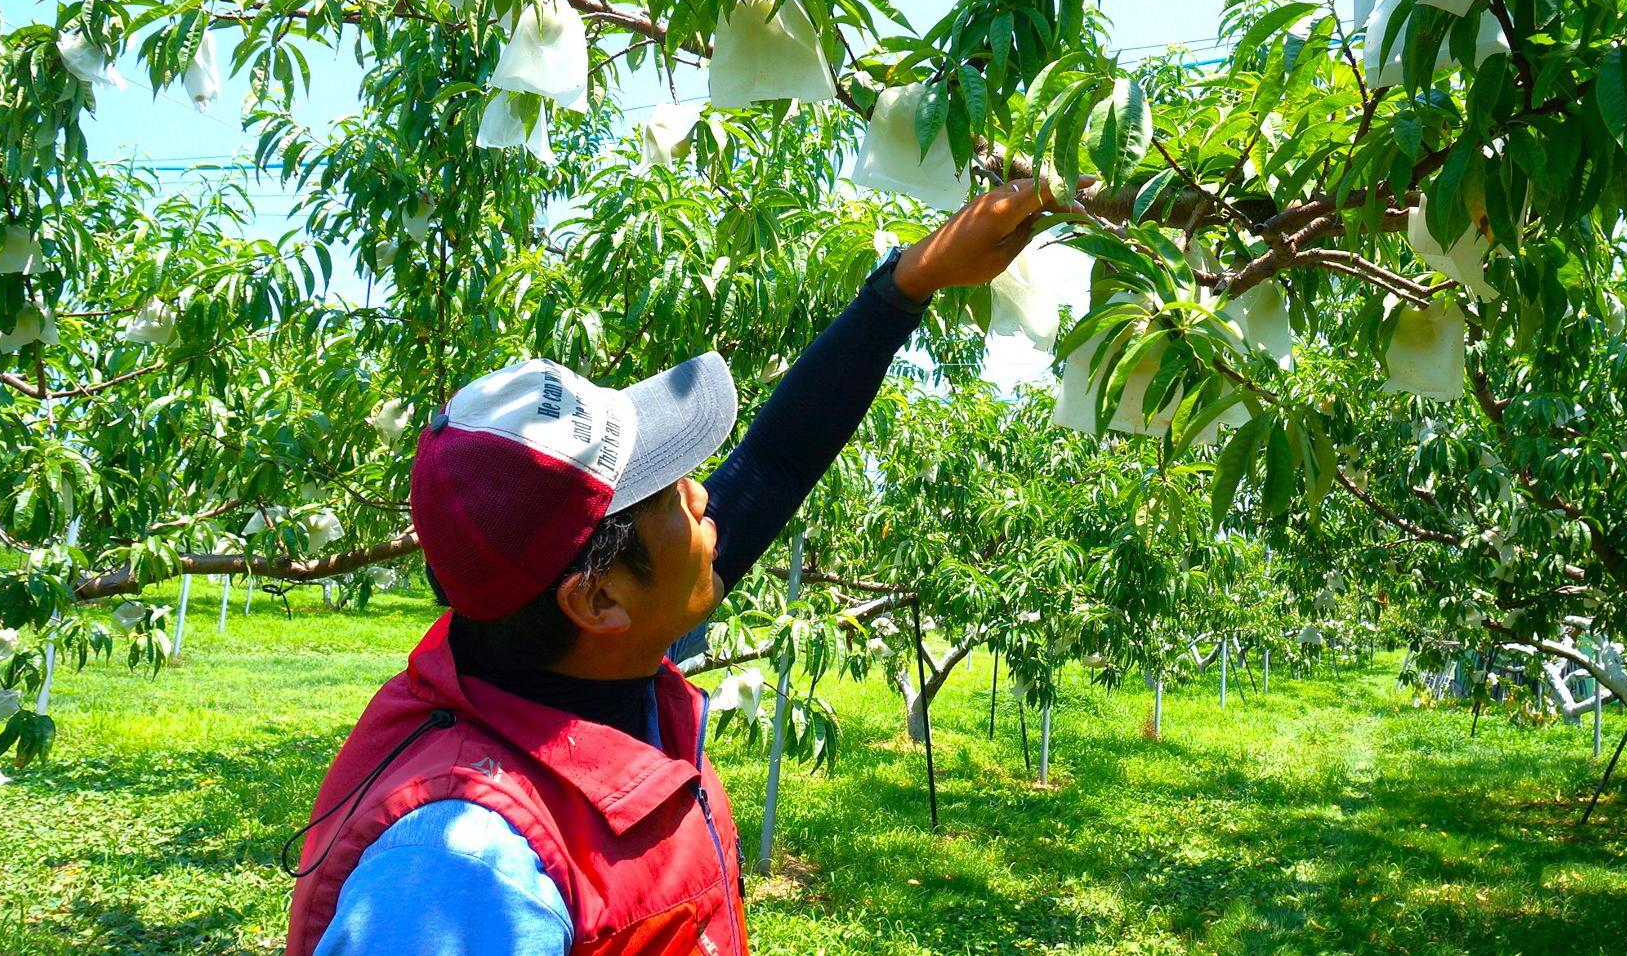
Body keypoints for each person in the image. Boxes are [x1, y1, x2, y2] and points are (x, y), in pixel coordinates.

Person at [283, 179, 1073, 956]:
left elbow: (774, 462)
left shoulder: (580, 656)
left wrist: (911, 281)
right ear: (598, 600)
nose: (702, 495)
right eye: (666, 494)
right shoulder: (466, 869)